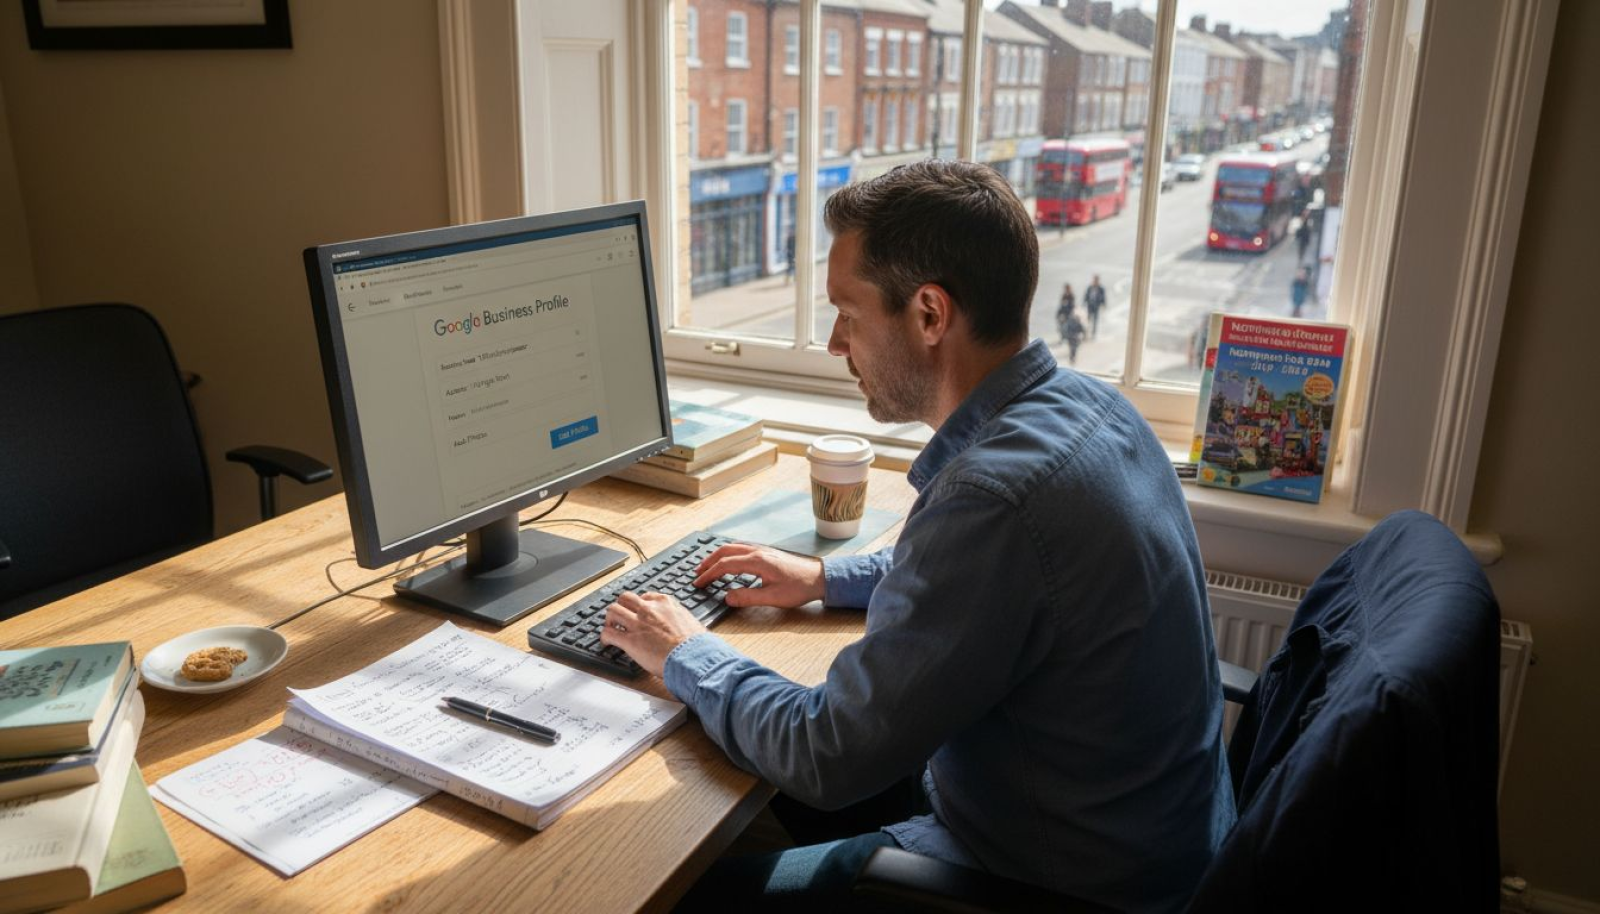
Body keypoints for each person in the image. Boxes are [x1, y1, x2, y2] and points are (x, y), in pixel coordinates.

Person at [600, 161, 1234, 912]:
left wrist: (684, 652)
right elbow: (1009, 581)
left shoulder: (993, 498)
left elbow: (823, 753)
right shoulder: (1093, 409)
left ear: (930, 315)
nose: (837, 343)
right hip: (1151, 844)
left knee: (664, 889)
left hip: (1056, 880)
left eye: (848, 312)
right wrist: (825, 579)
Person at [1083, 274, 1106, 339]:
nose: (1095, 281)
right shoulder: (1090, 287)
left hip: (1096, 306)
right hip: (1090, 306)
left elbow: (1103, 297)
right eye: (1094, 280)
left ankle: (1093, 334)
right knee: (1088, 320)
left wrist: (1103, 304)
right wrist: (1084, 302)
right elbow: (1086, 295)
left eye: (1096, 280)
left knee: (1095, 321)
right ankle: (1086, 333)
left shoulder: (1101, 288)